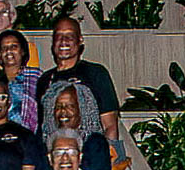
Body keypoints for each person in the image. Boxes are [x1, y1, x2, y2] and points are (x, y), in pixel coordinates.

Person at [35, 17, 122, 147]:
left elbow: (110, 125)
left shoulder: (95, 73)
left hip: (91, 155)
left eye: (69, 36)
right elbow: (43, 127)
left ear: (80, 40)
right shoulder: (45, 80)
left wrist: (106, 159)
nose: (63, 41)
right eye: (59, 36)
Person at [39, 81, 114, 170]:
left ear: (82, 110)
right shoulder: (44, 143)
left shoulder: (95, 143)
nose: (63, 111)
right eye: (58, 107)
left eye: (70, 106)